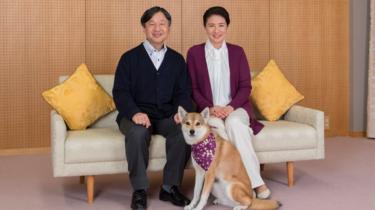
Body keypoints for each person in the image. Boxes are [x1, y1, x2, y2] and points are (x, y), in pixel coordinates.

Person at [186, 6, 271, 199]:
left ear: (227, 27)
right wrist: (210, 108)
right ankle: (229, 184)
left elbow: (245, 87)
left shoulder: (237, 52)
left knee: (235, 124)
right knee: (217, 132)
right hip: (209, 111)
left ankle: (255, 183)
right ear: (205, 28)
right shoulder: (194, 53)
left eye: (221, 25)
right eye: (211, 26)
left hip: (236, 108)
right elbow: (193, 89)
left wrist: (230, 107)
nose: (216, 30)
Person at [112, 6, 192, 210]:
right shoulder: (129, 58)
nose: (158, 28)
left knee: (183, 132)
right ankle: (139, 190)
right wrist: (135, 113)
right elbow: (120, 92)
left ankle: (170, 187)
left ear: (169, 28)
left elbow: (184, 92)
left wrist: (179, 112)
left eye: (162, 23)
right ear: (144, 27)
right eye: (152, 24)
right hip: (135, 116)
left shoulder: (176, 60)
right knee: (138, 134)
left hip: (166, 116)